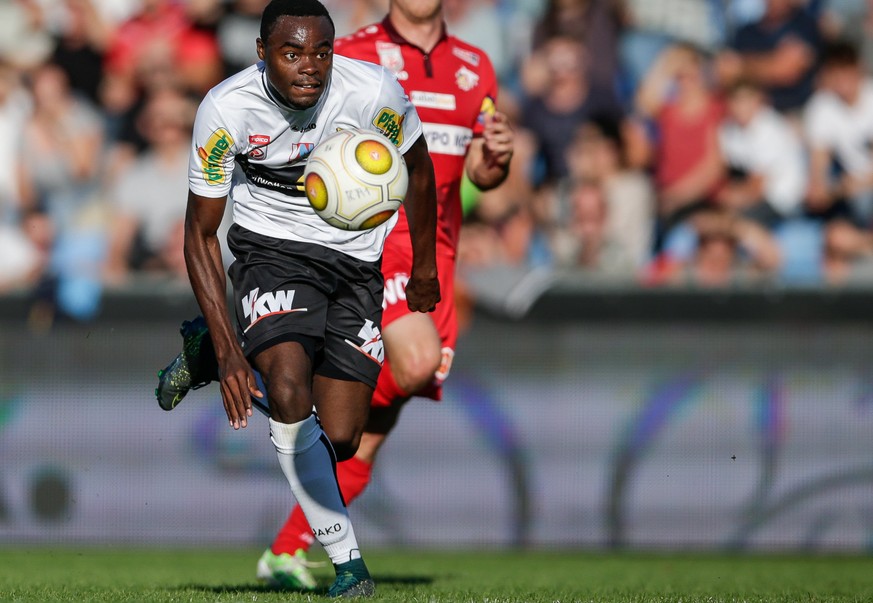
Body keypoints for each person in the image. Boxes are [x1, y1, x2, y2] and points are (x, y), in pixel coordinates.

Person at [154, 0, 513, 591]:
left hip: (353, 265)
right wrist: (230, 349)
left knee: (341, 437)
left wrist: (426, 266)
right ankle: (348, 565)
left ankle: (207, 355)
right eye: (292, 53)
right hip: (271, 254)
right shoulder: (226, 109)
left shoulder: (371, 92)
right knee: (291, 392)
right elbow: (199, 233)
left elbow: (419, 170)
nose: (309, 67)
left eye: (321, 52)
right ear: (262, 52)